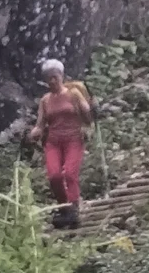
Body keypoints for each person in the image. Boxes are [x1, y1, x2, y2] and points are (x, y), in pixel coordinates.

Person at [27, 58, 97, 227]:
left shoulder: (73, 94)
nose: (52, 80)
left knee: (70, 174)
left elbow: (87, 115)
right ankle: (63, 207)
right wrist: (32, 134)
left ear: (61, 76)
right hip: (53, 141)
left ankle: (73, 207)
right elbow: (41, 124)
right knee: (54, 176)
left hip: (74, 138)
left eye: (54, 76)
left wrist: (93, 109)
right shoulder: (45, 100)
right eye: (48, 78)